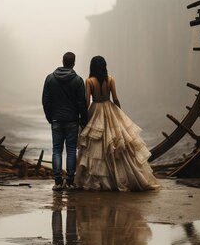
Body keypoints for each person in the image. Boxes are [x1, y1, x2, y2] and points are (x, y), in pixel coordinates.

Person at [75, 56, 160, 191]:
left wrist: (83, 118)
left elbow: (86, 102)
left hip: (95, 109)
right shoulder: (110, 79)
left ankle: (100, 179)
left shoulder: (89, 81)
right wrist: (119, 113)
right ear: (104, 66)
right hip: (110, 108)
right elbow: (115, 98)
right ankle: (120, 177)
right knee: (116, 143)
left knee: (96, 146)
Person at [42, 52, 88, 191]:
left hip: (56, 119)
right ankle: (69, 181)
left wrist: (50, 117)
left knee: (57, 150)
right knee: (71, 151)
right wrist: (83, 120)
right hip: (72, 120)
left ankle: (57, 182)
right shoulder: (78, 81)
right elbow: (82, 103)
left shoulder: (50, 79)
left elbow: (45, 101)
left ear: (62, 61)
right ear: (73, 63)